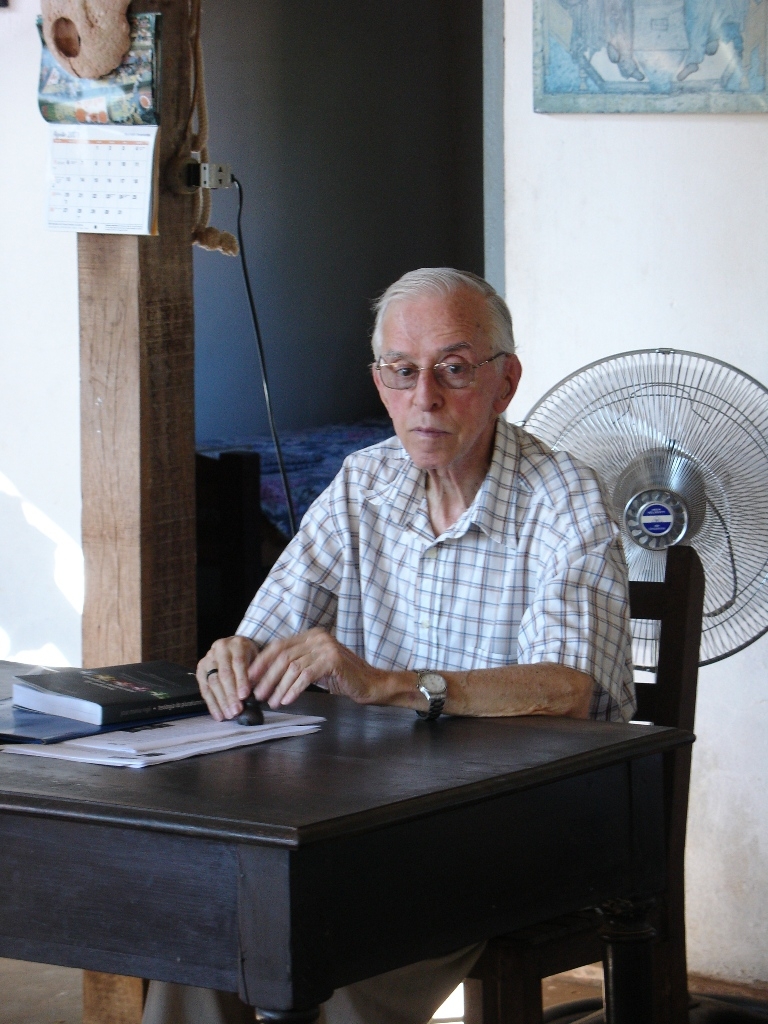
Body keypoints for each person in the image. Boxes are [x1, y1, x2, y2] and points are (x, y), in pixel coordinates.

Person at [142, 268, 634, 1024]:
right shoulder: (361, 482)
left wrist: (388, 684)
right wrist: (229, 658)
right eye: (403, 372)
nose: (425, 398)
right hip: (367, 818)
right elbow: (262, 632)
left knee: (344, 967)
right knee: (210, 939)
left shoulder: (562, 495)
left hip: (510, 827)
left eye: (454, 369)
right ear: (381, 384)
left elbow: (569, 690)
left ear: (505, 384)